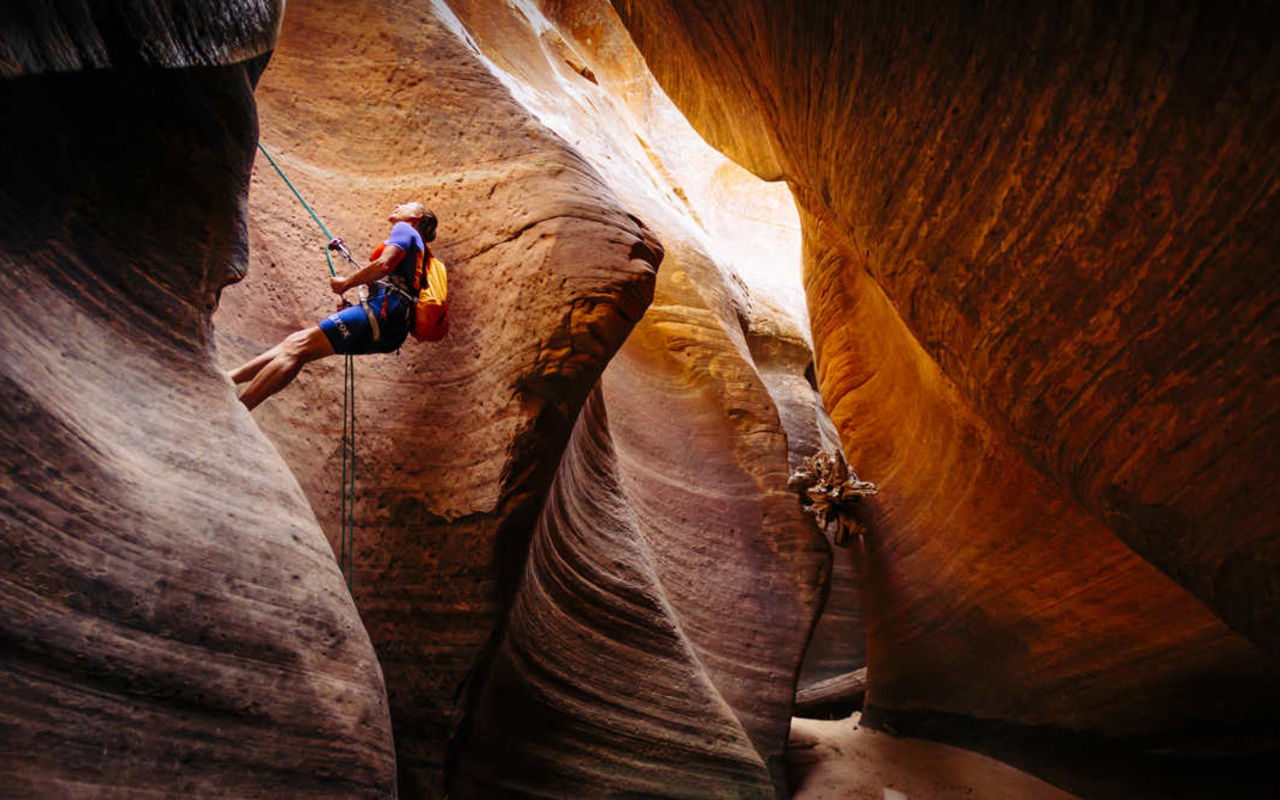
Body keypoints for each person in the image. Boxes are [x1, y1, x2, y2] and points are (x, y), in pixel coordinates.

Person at [228, 202, 437, 409]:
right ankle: (229, 380)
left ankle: (238, 410)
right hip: (392, 331)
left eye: (406, 205)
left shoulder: (404, 229)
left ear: (416, 216)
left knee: (298, 348)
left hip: (383, 314)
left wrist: (346, 283)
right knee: (296, 343)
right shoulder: (422, 254)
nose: (399, 205)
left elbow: (384, 264)